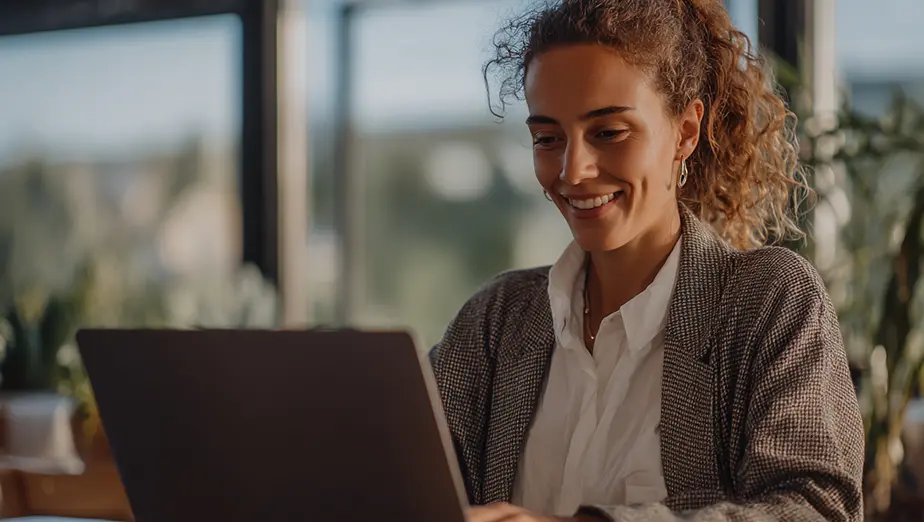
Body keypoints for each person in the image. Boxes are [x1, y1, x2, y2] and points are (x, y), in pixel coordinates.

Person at [428, 0, 864, 521]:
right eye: (547, 138)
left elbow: (816, 510)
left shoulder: (768, 302)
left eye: (608, 132)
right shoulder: (495, 322)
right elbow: (402, 482)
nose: (573, 171)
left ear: (685, 131)